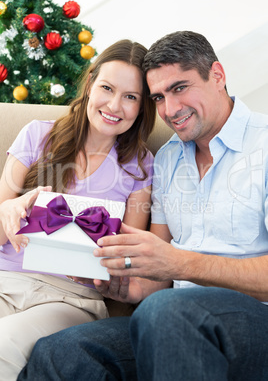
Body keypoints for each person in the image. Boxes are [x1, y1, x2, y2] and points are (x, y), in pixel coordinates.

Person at [18, 30, 268, 381]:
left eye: (179, 88)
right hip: (169, 321)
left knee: (165, 311)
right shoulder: (166, 161)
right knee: (60, 351)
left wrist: (179, 264)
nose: (170, 109)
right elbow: (155, 275)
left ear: (217, 75)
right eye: (159, 97)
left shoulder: (263, 144)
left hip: (254, 323)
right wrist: (122, 284)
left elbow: (172, 265)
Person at [0, 39, 156, 380]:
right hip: (6, 281)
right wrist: (9, 208)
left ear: (143, 106)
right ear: (89, 84)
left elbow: (130, 259)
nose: (115, 105)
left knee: (3, 345)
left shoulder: (140, 166)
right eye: (107, 88)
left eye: (130, 97)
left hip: (71, 300)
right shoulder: (36, 136)